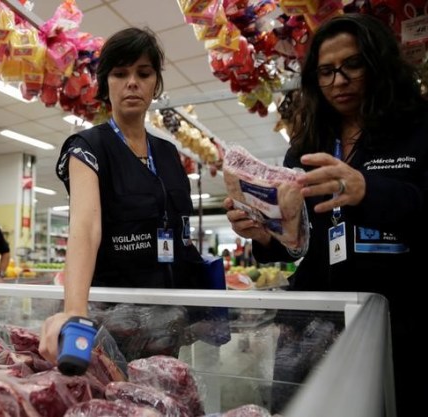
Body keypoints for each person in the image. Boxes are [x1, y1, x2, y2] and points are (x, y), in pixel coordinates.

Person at [223, 13, 427, 414]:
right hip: (315, 326)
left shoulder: (419, 127)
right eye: (326, 71)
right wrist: (264, 235)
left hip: (399, 323)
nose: (339, 81)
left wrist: (368, 190)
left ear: (378, 62)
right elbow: (297, 245)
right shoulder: (306, 144)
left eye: (353, 64)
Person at [39, 27, 204, 364]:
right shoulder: (87, 148)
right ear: (105, 84)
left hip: (169, 317)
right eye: (120, 73)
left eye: (143, 73)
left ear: (155, 83)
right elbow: (85, 228)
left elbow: (181, 230)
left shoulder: (170, 154)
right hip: (113, 320)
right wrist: (74, 310)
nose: (132, 82)